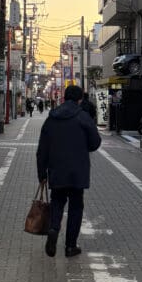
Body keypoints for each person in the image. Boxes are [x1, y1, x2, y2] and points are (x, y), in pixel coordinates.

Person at [36, 84, 101, 258]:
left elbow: (42, 149)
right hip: (77, 170)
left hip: (56, 169)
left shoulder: (52, 118)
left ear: (64, 97)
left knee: (57, 202)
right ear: (79, 99)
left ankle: (53, 228)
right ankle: (70, 246)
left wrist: (42, 174)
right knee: (76, 206)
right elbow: (95, 143)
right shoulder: (83, 117)